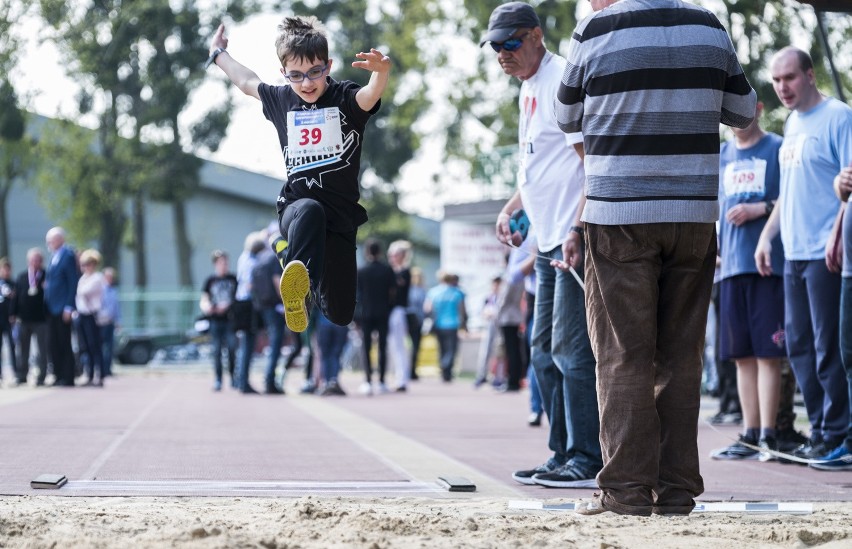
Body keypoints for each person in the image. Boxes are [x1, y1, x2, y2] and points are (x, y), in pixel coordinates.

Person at [555, 0, 756, 515]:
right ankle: (676, 491)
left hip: (618, 212)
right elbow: (744, 112)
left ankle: (624, 491)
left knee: (623, 353)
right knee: (680, 356)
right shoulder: (709, 27)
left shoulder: (595, 28)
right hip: (692, 213)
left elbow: (565, 115)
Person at [481, 1, 602, 487]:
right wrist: (512, 207)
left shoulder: (560, 82)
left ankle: (586, 457)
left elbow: (590, 164)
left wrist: (577, 230)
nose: (502, 55)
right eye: (494, 47)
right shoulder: (528, 87)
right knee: (541, 354)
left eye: (510, 43)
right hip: (547, 241)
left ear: (535, 36)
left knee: (573, 354)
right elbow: (539, 167)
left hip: (572, 241)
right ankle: (560, 452)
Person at [206, 16, 390, 334]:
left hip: (340, 220)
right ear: (284, 74)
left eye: (314, 73)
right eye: (296, 76)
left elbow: (370, 96)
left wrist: (381, 73)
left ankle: (296, 267)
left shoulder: (344, 98)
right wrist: (218, 55)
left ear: (328, 66)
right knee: (310, 208)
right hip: (297, 211)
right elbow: (246, 81)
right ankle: (294, 269)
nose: (306, 83)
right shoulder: (282, 100)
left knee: (342, 313)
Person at [755, 46, 851, 461]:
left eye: (789, 78)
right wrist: (766, 237)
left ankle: (839, 434)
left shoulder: (839, 117)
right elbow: (788, 194)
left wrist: (837, 235)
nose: (782, 88)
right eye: (776, 81)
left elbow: (849, 187)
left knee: (828, 345)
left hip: (825, 251)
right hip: (792, 251)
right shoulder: (792, 123)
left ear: (810, 75)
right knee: (797, 346)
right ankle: (821, 430)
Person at [709, 101, 786, 461]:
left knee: (768, 353)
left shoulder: (777, 147)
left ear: (757, 108)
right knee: (740, 356)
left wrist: (762, 208)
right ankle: (750, 433)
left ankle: (770, 434)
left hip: (767, 266)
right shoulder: (722, 154)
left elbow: (791, 198)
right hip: (730, 268)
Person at [811, 164, 852, 470]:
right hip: (848, 268)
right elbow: (844, 194)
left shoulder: (838, 118)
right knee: (847, 356)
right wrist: (840, 183)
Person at [355, 239, 396, 395]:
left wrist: (356, 316)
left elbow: (356, 294)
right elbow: (393, 292)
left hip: (365, 314)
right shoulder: (387, 270)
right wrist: (389, 308)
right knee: (382, 347)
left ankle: (367, 381)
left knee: (365, 348)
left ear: (366, 252)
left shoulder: (361, 270)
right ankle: (383, 381)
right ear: (379, 252)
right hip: (383, 312)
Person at [44, 227, 80, 387]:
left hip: (62, 308)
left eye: (51, 240)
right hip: (51, 308)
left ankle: (68, 376)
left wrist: (68, 307)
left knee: (64, 342)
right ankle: (58, 375)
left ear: (60, 239)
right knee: (53, 343)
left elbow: (73, 282)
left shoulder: (68, 255)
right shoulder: (54, 257)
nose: (49, 243)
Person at [200, 250, 238, 392]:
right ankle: (218, 379)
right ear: (215, 264)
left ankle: (233, 378)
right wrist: (207, 307)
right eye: (221, 262)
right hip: (215, 321)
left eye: (226, 262)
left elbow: (237, 298)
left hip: (230, 320)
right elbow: (204, 298)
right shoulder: (210, 280)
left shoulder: (233, 279)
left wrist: (227, 305)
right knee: (216, 351)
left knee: (232, 349)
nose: (224, 265)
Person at [11, 248, 48, 386]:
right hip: (24, 319)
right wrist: (12, 314)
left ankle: (42, 376)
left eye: (38, 260)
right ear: (29, 261)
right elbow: (15, 297)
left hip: (41, 319)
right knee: (22, 350)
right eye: (33, 260)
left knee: (42, 350)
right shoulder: (21, 276)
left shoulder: (46, 276)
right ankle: (21, 375)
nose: (35, 262)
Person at [234, 232, 265, 395]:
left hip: (241, 303)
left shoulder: (242, 257)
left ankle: (240, 380)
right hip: (248, 305)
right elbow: (249, 286)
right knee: (248, 345)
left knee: (244, 344)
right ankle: (243, 381)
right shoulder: (253, 262)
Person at [423, 272, 467, 382]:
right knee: (451, 349)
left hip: (438, 324)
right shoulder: (457, 293)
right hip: (452, 324)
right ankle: (447, 369)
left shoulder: (433, 292)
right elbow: (462, 310)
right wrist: (464, 324)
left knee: (442, 348)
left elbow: (427, 308)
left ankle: (443, 368)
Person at [76, 250, 107, 387]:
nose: (86, 266)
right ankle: (88, 373)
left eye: (89, 264)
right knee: (85, 346)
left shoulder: (97, 278)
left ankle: (99, 374)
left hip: (92, 315)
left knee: (94, 345)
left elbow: (84, 291)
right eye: (84, 264)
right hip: (82, 314)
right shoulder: (83, 278)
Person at [387, 240, 412, 392]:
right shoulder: (395, 272)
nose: (391, 257)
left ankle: (402, 379)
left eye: (394, 254)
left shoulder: (404, 272)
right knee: (393, 347)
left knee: (398, 347)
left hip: (398, 311)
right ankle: (398, 377)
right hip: (392, 312)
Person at [316, 312, 349, 396]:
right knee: (335, 355)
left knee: (325, 355)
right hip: (340, 323)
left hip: (324, 322)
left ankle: (326, 382)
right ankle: (333, 381)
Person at [98, 267, 120, 377]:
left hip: (110, 322)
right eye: (108, 277)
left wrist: (118, 321)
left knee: (109, 346)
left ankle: (107, 369)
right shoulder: (100, 290)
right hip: (101, 322)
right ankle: (100, 368)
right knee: (101, 346)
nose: (110, 279)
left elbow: (117, 308)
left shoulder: (114, 291)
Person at [405, 267, 427, 381]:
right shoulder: (414, 290)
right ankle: (409, 370)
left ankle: (412, 369)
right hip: (412, 319)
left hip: (416, 320)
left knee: (415, 346)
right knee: (413, 345)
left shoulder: (420, 290)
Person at [0, 258, 16, 384]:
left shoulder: (13, 283)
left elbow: (16, 301)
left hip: (9, 320)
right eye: (3, 269)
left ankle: (16, 372)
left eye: (7, 269)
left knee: (12, 345)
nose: (5, 271)